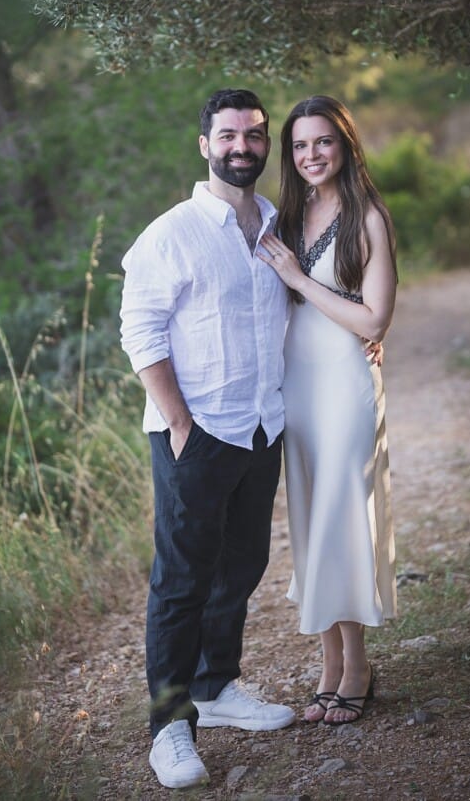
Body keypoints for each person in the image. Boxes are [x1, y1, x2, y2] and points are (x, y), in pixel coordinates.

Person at [120, 88, 296, 790]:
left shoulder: (276, 226)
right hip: (198, 431)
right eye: (229, 135)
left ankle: (216, 686)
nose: (243, 147)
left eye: (255, 135)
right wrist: (181, 424)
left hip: (261, 426)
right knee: (181, 580)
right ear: (205, 144)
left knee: (245, 561)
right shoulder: (171, 234)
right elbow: (140, 333)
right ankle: (170, 725)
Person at [257, 95, 398, 727]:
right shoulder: (284, 215)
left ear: (344, 146)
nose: (312, 155)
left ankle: (357, 668)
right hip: (298, 385)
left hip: (345, 383)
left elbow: (373, 318)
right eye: (300, 145)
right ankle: (328, 665)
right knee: (311, 520)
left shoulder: (368, 216)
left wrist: (299, 279)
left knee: (344, 515)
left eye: (324, 142)